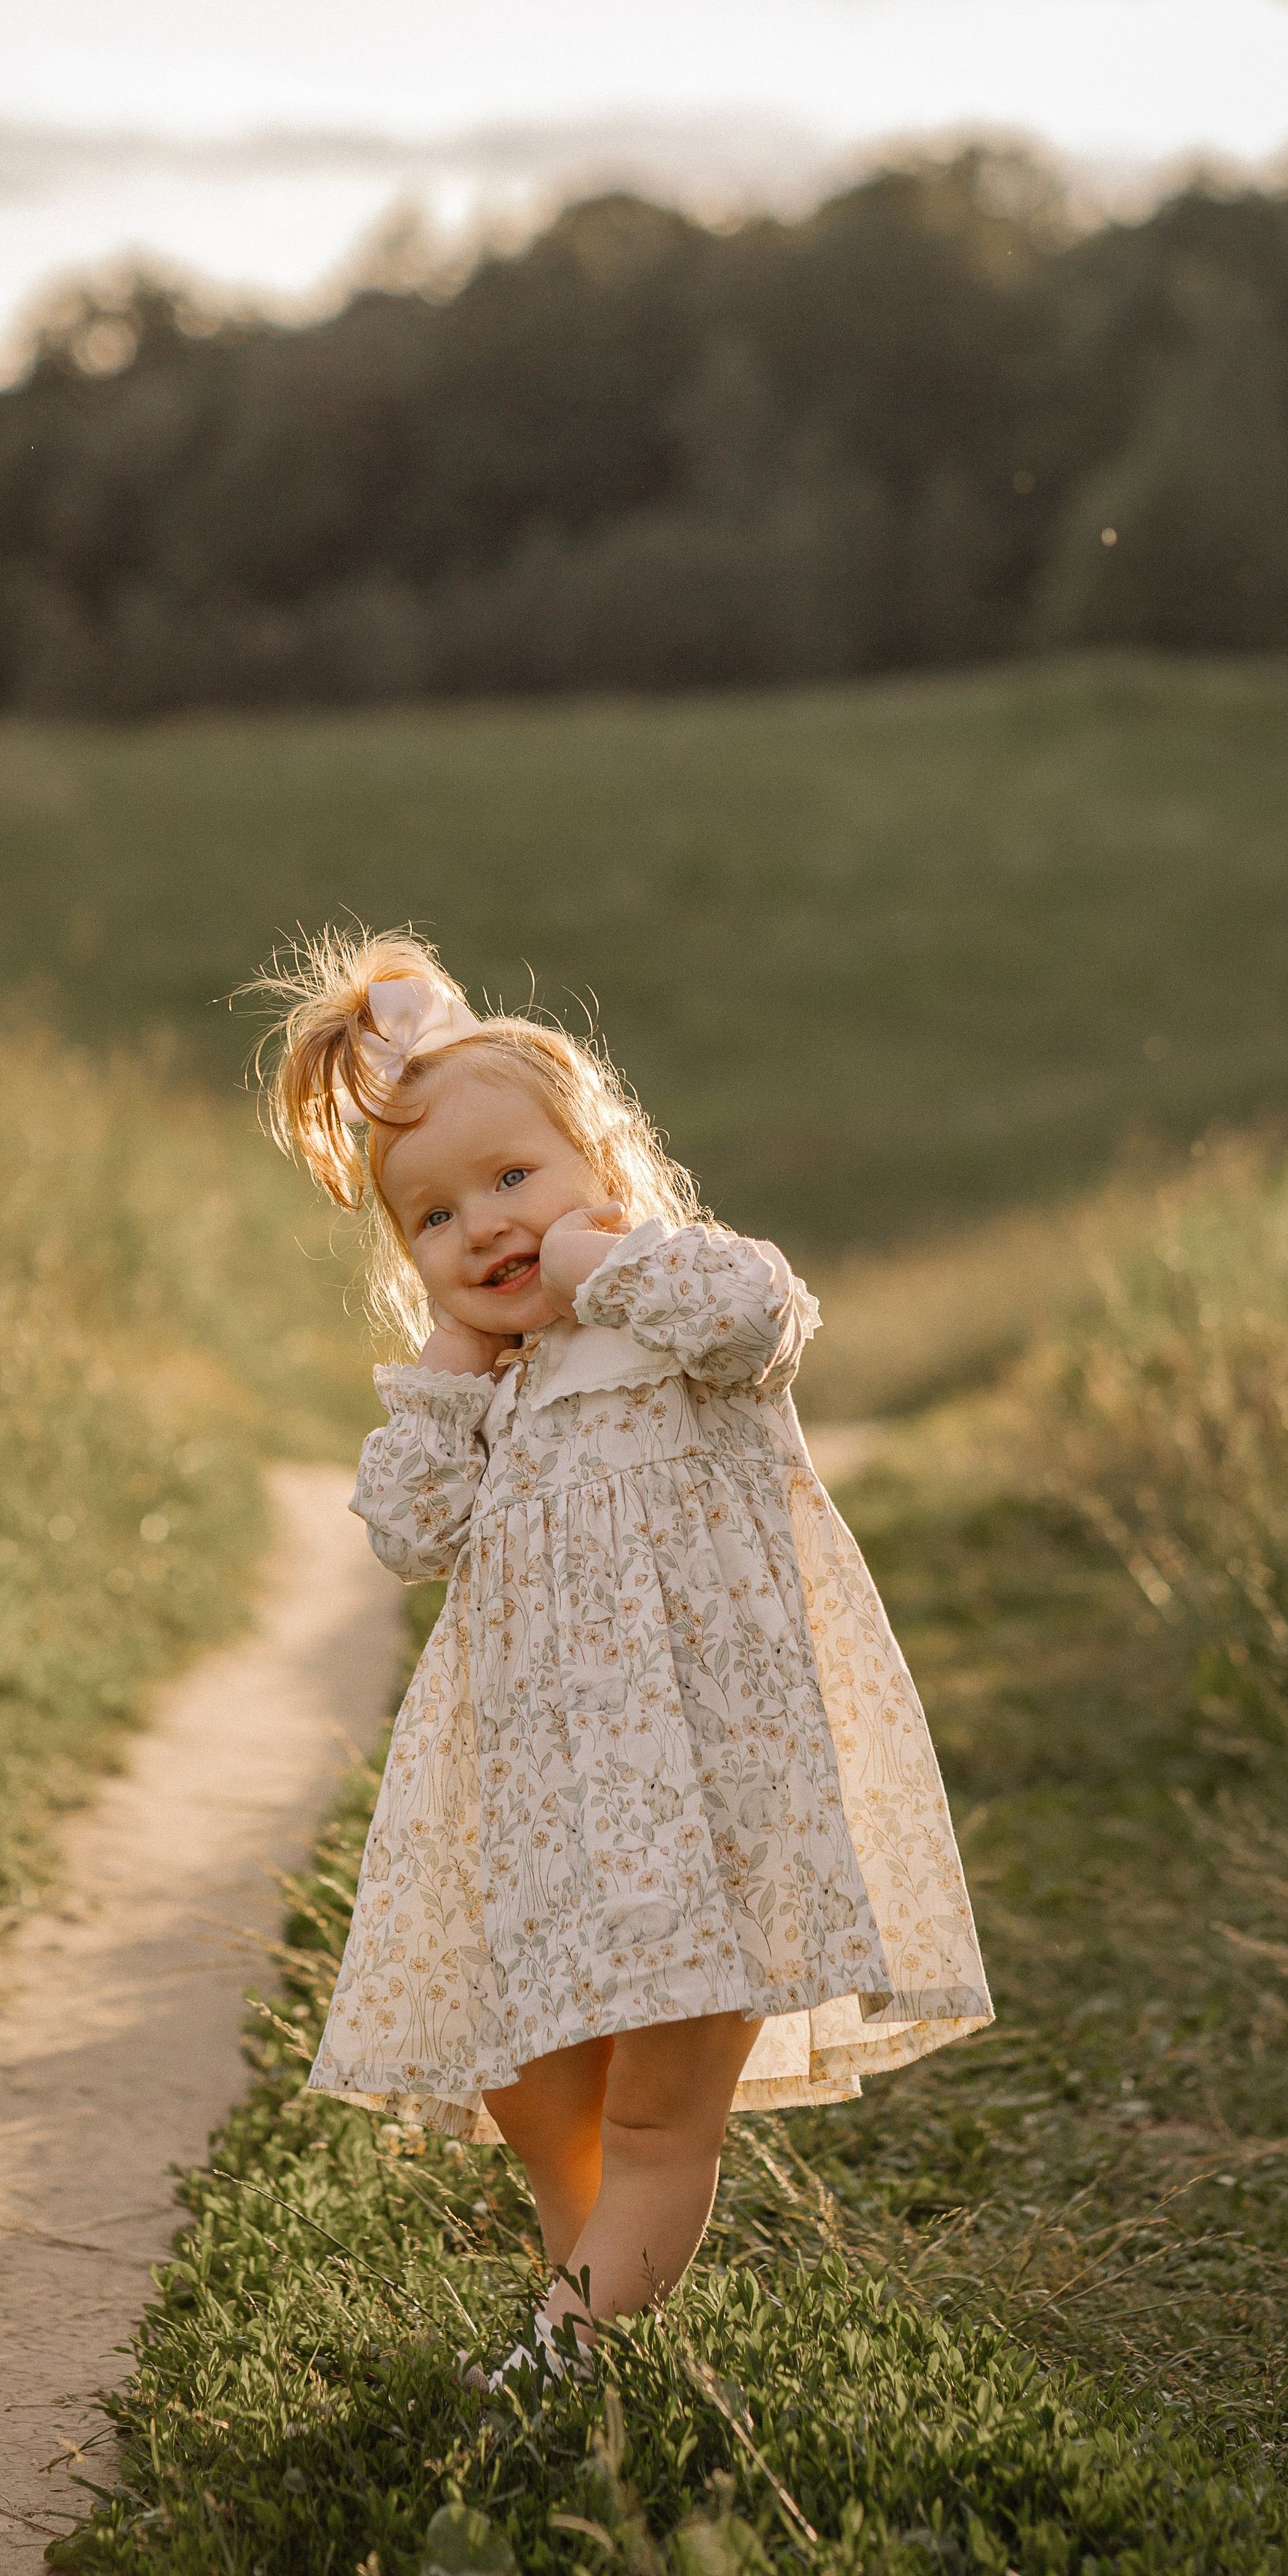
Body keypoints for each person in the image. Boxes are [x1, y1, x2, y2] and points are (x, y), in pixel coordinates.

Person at [257, 928, 991, 2382]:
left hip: (706, 1802)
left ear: (604, 1156)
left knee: (658, 2110)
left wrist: (606, 1262)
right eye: (433, 1220)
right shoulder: (498, 1393)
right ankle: (597, 2312)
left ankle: (568, 2344)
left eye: (514, 1180)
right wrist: (450, 1382)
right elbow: (406, 1534)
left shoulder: (675, 1306)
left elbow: (766, 1317)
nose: (484, 1230)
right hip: (553, 1810)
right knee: (534, 2090)